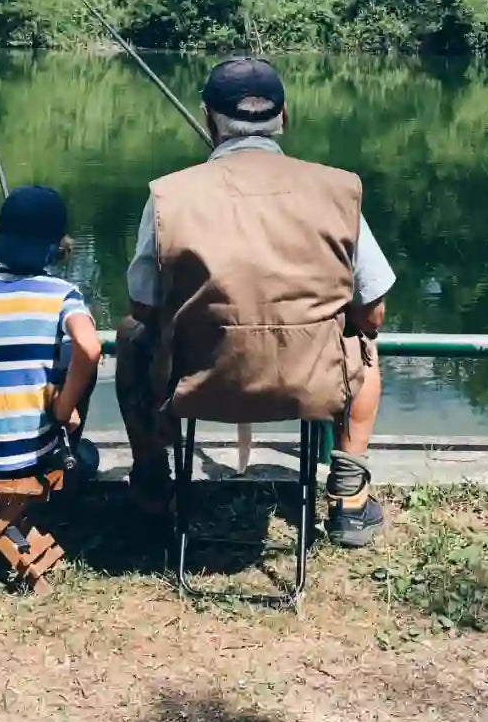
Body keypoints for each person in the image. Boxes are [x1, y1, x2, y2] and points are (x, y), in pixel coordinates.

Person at [118, 58, 395, 547]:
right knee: (364, 346)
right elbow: (371, 311)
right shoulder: (337, 190)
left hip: (195, 384)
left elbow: (143, 307)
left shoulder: (168, 196)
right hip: (311, 386)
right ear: (285, 116)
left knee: (131, 336)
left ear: (208, 119)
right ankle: (349, 497)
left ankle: (152, 485)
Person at [0, 185, 102, 478]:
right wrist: (64, 409)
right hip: (29, 455)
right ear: (56, 249)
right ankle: (68, 456)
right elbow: (90, 349)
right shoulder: (64, 295)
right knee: (74, 364)